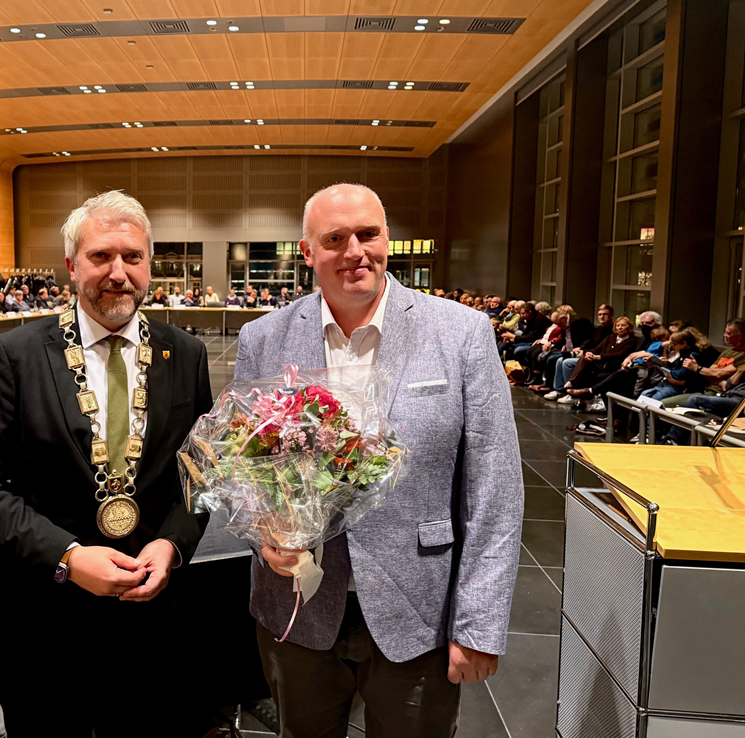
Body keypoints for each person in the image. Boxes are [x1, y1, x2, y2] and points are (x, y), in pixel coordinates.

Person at [234, 184, 522, 737]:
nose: (355, 251)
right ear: (307, 252)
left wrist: (480, 623)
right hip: (296, 609)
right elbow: (247, 465)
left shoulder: (461, 333)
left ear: (387, 239)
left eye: (368, 234)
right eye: (335, 238)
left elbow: (496, 489)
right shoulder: (263, 337)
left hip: (419, 611)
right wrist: (262, 534)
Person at [0, 191, 212, 737]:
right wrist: (69, 556)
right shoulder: (17, 355)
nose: (117, 272)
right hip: (44, 614)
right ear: (72, 267)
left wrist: (171, 546)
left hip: (154, 611)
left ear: (150, 265)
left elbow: (201, 473)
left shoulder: (186, 354)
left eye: (132, 257)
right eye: (101, 257)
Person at [561, 316, 638, 404]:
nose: (620, 328)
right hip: (601, 364)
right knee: (584, 358)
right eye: (618, 325)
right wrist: (590, 353)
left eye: (623, 325)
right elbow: (597, 348)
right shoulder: (611, 337)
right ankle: (573, 385)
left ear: (629, 327)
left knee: (586, 369)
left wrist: (599, 357)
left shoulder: (632, 340)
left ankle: (574, 386)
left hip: (614, 366)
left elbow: (619, 355)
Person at [544, 304, 614, 400]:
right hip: (588, 353)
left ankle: (570, 391)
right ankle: (559, 388)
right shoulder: (599, 329)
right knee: (560, 360)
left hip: (596, 358)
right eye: (600, 314)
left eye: (604, 314)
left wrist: (585, 351)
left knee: (567, 363)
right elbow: (590, 341)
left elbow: (600, 347)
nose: (602, 317)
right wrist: (581, 348)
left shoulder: (612, 331)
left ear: (611, 315)